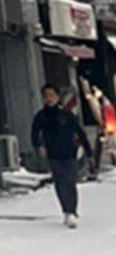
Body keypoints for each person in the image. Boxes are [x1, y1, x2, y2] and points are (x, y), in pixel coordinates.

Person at [33, 84, 92, 229]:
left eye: (52, 95)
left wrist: (89, 152)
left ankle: (72, 210)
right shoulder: (42, 116)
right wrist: (39, 146)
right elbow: (35, 132)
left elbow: (80, 132)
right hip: (53, 154)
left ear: (58, 97)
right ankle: (66, 210)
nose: (49, 98)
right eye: (46, 96)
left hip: (69, 153)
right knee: (60, 182)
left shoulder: (66, 114)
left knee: (70, 181)